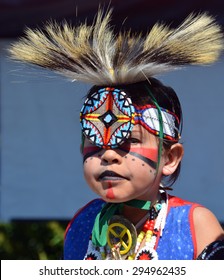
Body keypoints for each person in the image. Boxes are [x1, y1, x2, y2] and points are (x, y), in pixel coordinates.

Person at [9, 9, 224, 260]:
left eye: (128, 141)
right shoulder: (83, 224)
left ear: (169, 159)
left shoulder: (194, 225)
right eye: (96, 141)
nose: (109, 155)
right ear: (82, 151)